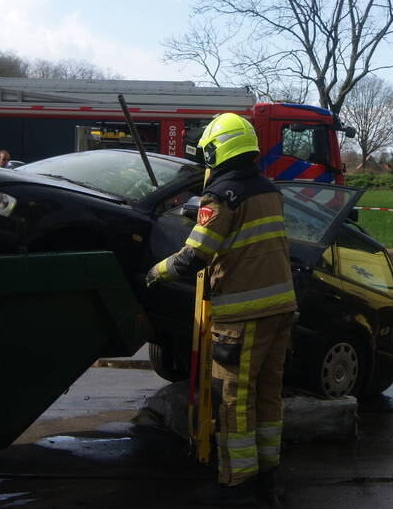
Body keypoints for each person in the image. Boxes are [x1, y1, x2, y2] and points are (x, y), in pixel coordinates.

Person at [145, 112, 296, 506]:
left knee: (233, 399)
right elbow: (247, 237)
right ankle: (268, 479)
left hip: (242, 315)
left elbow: (195, 256)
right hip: (280, 308)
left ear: (217, 149)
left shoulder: (221, 195)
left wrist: (156, 272)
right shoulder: (268, 189)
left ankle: (237, 485)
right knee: (267, 395)